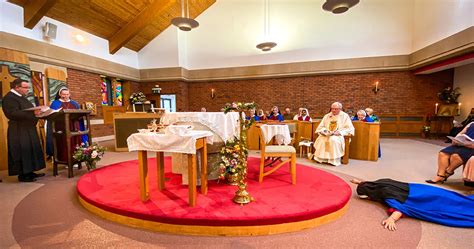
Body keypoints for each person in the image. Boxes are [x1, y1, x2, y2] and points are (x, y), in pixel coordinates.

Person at [352, 178, 474, 230]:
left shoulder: (387, 196)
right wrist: (359, 182)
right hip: (422, 190)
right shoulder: (381, 182)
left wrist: (391, 219)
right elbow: (370, 183)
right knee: (453, 198)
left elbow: (400, 209)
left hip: (423, 200)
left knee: (453, 209)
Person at [2, 78, 45, 182]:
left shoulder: (22, 97)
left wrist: (39, 113)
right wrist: (33, 113)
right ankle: (23, 175)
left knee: (30, 150)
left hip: (28, 128)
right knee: (22, 151)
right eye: (25, 87)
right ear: (17, 87)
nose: (28, 90)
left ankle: (30, 172)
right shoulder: (9, 98)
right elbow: (12, 113)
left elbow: (28, 110)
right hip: (18, 129)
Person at [46, 87, 87, 163]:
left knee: (75, 143)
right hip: (61, 127)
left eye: (67, 94)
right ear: (60, 94)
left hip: (74, 127)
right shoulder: (55, 103)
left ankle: (76, 159)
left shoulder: (74, 103)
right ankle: (64, 160)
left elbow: (79, 115)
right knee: (64, 144)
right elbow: (52, 116)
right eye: (64, 94)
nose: (65, 96)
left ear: (69, 94)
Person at [313, 102, 354, 166]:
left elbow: (349, 128)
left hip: (338, 135)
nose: (333, 110)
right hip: (327, 134)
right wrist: (324, 131)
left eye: (335, 109)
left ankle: (333, 160)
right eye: (332, 109)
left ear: (340, 109)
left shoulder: (345, 116)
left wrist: (340, 132)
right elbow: (321, 126)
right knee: (321, 139)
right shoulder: (327, 116)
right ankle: (321, 159)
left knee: (333, 140)